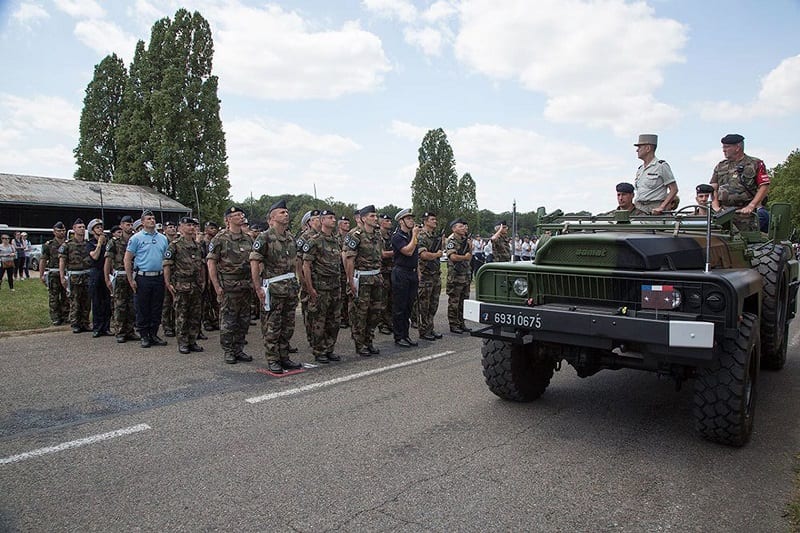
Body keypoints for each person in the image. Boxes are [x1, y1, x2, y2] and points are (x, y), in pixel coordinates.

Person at [250, 199, 302, 373]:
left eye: (286, 212)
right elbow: (254, 262)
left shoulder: (290, 237)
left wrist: (297, 282)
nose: (286, 214)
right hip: (273, 289)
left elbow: (296, 263)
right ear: (272, 217)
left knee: (288, 325)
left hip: (290, 288)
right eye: (281, 212)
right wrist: (258, 288)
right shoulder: (264, 237)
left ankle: (284, 356)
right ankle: (273, 359)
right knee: (272, 325)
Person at [207, 206, 254, 364]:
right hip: (228, 285)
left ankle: (239, 349)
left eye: (241, 214)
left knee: (244, 319)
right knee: (228, 320)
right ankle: (228, 350)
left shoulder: (248, 239)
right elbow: (211, 262)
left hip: (246, 285)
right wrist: (216, 286)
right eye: (236, 215)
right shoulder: (220, 239)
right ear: (227, 219)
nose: (241, 217)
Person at [302, 208, 343, 363]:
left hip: (334, 286)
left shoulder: (336, 240)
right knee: (319, 320)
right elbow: (306, 265)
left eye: (334, 217)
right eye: (330, 218)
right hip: (320, 287)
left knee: (334, 320)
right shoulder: (314, 241)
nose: (334, 220)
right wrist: (310, 288)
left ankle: (329, 348)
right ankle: (319, 350)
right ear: (322, 220)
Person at [124, 209, 169, 348]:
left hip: (158, 277)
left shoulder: (163, 238)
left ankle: (154, 334)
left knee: (156, 307)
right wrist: (131, 279)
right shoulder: (136, 238)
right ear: (142, 222)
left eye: (153, 218)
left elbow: (166, 259)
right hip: (143, 277)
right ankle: (144, 335)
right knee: (143, 307)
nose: (152, 220)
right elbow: (127, 259)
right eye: (148, 218)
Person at [343, 205, 384, 356]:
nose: (375, 218)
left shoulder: (377, 235)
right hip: (362, 279)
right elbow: (349, 260)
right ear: (363, 218)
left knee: (375, 313)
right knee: (360, 313)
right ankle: (360, 344)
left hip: (376, 278)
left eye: (375, 216)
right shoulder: (355, 235)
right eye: (372, 216)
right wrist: (350, 280)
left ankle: (369, 341)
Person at [710, 134, 770, 232]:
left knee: (746, 243)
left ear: (737, 147)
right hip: (723, 214)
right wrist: (715, 205)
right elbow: (713, 187)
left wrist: (751, 205)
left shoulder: (755, 163)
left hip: (745, 215)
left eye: (727, 147)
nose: (724, 150)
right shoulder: (720, 166)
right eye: (723, 147)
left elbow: (764, 186)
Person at [163, 217, 205, 354]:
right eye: (188, 225)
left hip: (196, 284)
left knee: (195, 314)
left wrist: (203, 280)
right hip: (181, 284)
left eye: (193, 225)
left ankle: (192, 341)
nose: (191, 228)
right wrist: (168, 283)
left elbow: (202, 265)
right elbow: (167, 265)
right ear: (180, 228)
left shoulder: (197, 246)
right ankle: (183, 342)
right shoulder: (174, 245)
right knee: (181, 314)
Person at [105, 215, 138, 343]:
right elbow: (108, 261)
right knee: (119, 304)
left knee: (132, 305)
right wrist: (107, 278)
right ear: (121, 225)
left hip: (134, 274)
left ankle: (130, 330)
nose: (129, 227)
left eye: (131, 225)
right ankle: (120, 330)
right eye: (127, 224)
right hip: (120, 276)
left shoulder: (136, 240)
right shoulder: (114, 242)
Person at [390, 208, 420, 347]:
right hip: (401, 273)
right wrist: (414, 236)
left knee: (409, 306)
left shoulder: (410, 236)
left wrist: (418, 273)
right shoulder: (397, 236)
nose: (412, 221)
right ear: (401, 221)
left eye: (412, 218)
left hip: (411, 273)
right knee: (400, 306)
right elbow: (407, 252)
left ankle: (405, 335)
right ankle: (399, 336)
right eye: (408, 219)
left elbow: (415, 257)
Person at [59, 219, 92, 333]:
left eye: (83, 227)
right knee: (75, 301)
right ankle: (75, 323)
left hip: (86, 275)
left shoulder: (88, 243)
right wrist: (62, 276)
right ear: (74, 229)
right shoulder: (68, 244)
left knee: (87, 301)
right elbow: (62, 261)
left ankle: (85, 322)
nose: (82, 229)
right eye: (79, 227)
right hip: (74, 276)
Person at [633, 134, 678, 214]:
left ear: (648, 148)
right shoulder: (640, 169)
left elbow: (674, 189)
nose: (637, 150)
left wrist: (662, 207)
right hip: (639, 209)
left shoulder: (661, 166)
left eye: (639, 147)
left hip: (654, 210)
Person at [417, 212, 444, 341]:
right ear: (426, 221)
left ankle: (430, 328)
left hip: (435, 274)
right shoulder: (421, 236)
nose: (435, 221)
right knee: (424, 305)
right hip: (426, 275)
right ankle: (424, 330)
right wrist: (437, 255)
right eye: (432, 219)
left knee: (433, 304)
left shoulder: (435, 237)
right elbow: (423, 255)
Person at [445, 218, 472, 334]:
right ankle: (454, 324)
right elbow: (453, 257)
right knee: (454, 302)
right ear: (454, 228)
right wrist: (464, 257)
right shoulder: (451, 240)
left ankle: (462, 323)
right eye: (460, 227)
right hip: (455, 276)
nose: (463, 229)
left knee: (464, 301)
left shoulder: (464, 240)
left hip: (465, 274)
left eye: (463, 226)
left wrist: (470, 247)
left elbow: (470, 255)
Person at [86, 218, 112, 337]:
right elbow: (95, 257)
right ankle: (97, 327)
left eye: (101, 226)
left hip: (106, 272)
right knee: (96, 301)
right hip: (95, 272)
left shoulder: (109, 242)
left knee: (107, 301)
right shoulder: (90, 243)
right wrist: (100, 244)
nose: (100, 229)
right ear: (92, 230)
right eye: (97, 227)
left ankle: (106, 327)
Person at [40, 222, 69, 323]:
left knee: (66, 296)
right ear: (54, 232)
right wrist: (42, 275)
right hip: (54, 273)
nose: (61, 232)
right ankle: (56, 317)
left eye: (63, 230)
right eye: (59, 231)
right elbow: (43, 260)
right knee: (54, 297)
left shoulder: (68, 243)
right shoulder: (49, 245)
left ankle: (66, 316)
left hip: (66, 273)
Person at [200, 220, 220, 331]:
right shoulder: (202, 243)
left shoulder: (216, 242)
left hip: (215, 272)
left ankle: (215, 320)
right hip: (205, 271)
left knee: (215, 298)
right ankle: (206, 320)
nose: (212, 230)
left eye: (214, 228)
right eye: (210, 228)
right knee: (206, 299)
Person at [377, 214, 394, 335]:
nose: (390, 223)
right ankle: (382, 324)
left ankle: (390, 322)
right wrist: (398, 251)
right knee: (383, 300)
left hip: (391, 271)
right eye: (387, 221)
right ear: (381, 223)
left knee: (391, 299)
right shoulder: (377, 236)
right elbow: (382, 254)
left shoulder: (391, 236)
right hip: (382, 271)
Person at [161, 221, 178, 337]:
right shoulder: (162, 242)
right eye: (169, 227)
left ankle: (176, 324)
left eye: (173, 227)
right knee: (167, 302)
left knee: (177, 301)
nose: (172, 229)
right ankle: (167, 326)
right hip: (167, 274)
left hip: (178, 275)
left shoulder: (178, 242)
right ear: (165, 230)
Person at [337, 215, 351, 329]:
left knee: (349, 294)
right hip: (340, 271)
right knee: (342, 295)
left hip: (349, 269)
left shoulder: (350, 238)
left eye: (348, 223)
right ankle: (342, 318)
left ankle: (349, 317)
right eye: (345, 223)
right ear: (340, 225)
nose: (347, 225)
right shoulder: (336, 238)